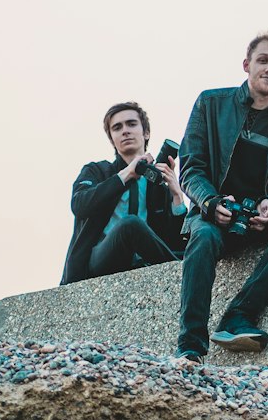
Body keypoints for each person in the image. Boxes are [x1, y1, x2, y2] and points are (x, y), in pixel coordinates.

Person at [175, 33, 268, 362]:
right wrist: (211, 203)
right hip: (213, 215)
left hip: (260, 221)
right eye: (263, 60)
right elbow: (191, 168)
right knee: (203, 237)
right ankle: (191, 348)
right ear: (246, 64)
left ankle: (238, 316)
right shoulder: (210, 103)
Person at [60, 102, 186, 285]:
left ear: (146, 133)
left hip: (145, 261)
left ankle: (182, 273)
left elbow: (177, 241)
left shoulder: (157, 183)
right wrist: (126, 174)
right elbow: (79, 206)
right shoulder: (96, 171)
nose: (125, 131)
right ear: (112, 139)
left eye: (131, 124)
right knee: (130, 225)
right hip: (99, 263)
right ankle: (182, 276)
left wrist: (177, 196)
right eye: (117, 128)